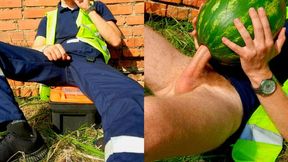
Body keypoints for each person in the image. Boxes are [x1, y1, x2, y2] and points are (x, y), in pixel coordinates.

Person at [0, 0, 144, 161]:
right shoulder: (50, 17)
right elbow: (37, 46)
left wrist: (89, 9)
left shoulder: (96, 6)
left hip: (86, 61)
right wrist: (46, 48)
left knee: (129, 96)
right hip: (52, 60)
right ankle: (19, 131)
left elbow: (115, 40)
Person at [144, 7, 288, 162]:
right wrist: (210, 31)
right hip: (205, 62)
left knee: (142, 122)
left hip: (231, 96)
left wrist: (258, 72)